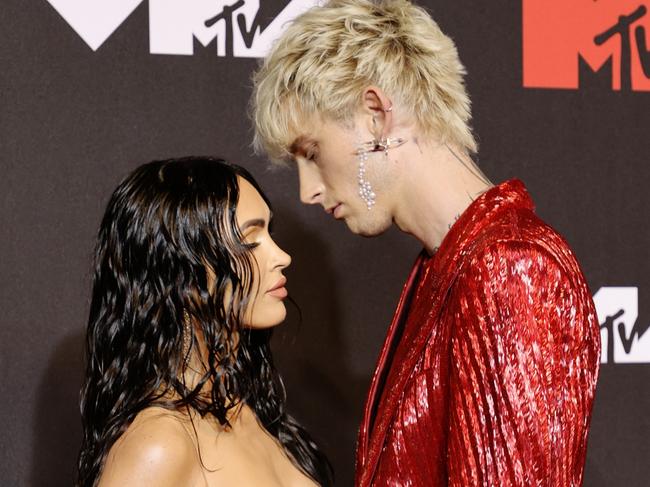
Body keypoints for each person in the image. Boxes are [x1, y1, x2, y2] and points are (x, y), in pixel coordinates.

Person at [251, 1, 601, 486]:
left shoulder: (510, 269)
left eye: (312, 153)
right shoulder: (447, 266)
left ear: (375, 115)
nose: (308, 190)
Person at [76, 157, 333, 487]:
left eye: (269, 232)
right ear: (181, 272)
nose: (282, 256)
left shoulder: (248, 410)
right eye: (249, 239)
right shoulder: (159, 444)